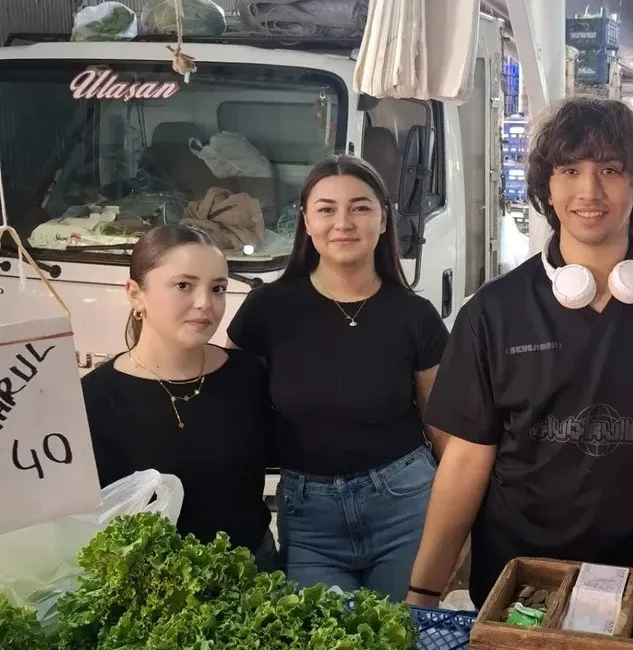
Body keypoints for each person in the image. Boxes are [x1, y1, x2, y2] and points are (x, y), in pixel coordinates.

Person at [405, 97, 633, 610]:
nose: (590, 190)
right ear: (547, 188)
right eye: (569, 170)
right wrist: (424, 589)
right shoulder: (494, 312)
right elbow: (466, 458)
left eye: (611, 169)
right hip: (518, 583)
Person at [226, 154, 449, 600]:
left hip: (405, 505)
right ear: (306, 221)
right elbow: (226, 401)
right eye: (326, 209)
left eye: (360, 207)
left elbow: (442, 428)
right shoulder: (267, 308)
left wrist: (458, 524)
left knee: (401, 636)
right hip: (310, 520)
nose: (342, 222)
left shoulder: (415, 316)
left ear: (383, 221)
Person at [82, 224, 277, 570]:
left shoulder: (249, 374)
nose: (205, 303)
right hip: (152, 591)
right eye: (183, 285)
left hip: (255, 575)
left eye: (218, 288)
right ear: (134, 294)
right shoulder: (94, 398)